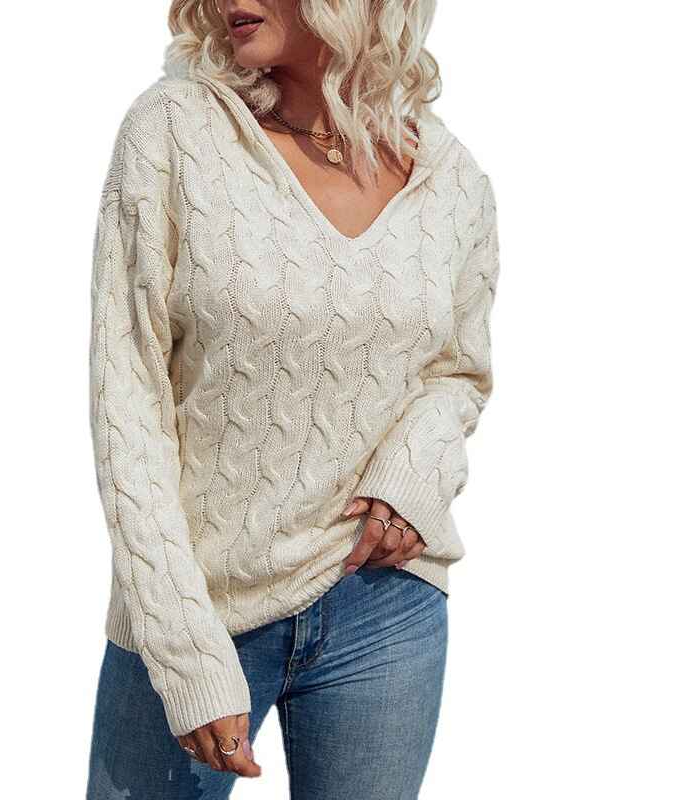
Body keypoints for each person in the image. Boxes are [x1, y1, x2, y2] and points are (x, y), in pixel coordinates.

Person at [86, 1, 500, 798]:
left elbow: (458, 372)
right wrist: (185, 652)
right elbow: (126, 403)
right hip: (197, 609)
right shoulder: (174, 132)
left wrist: (414, 475)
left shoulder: (453, 180)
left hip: (385, 608)